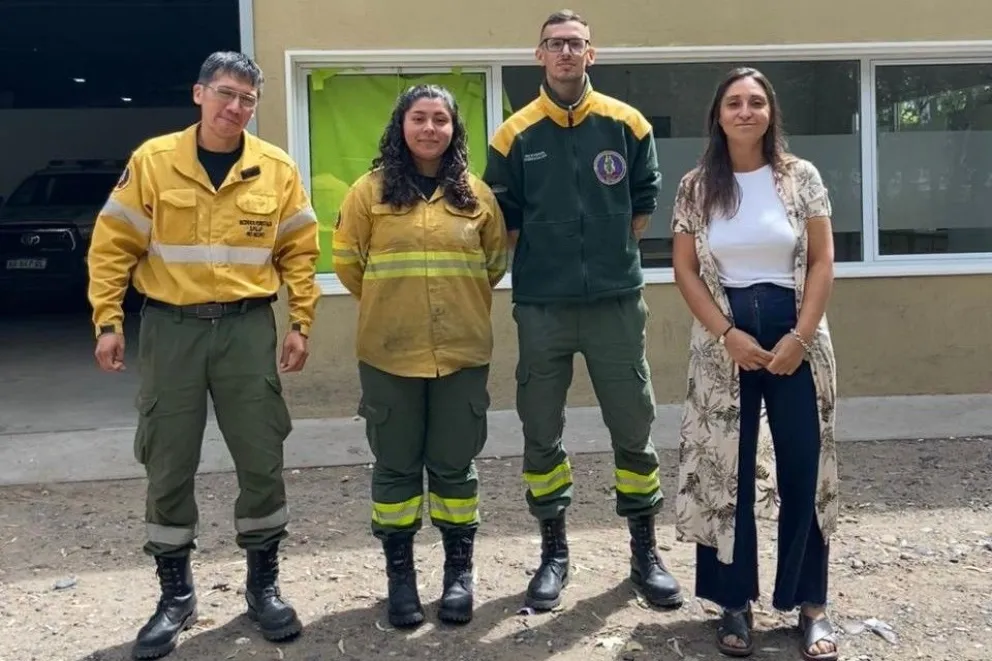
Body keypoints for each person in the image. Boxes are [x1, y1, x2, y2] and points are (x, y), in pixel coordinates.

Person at [87, 51, 320, 660]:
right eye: (225, 94)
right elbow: (112, 246)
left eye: (247, 99)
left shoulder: (275, 168)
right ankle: (175, 596)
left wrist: (300, 322)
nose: (235, 107)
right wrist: (108, 321)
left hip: (247, 331)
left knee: (262, 456)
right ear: (198, 94)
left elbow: (300, 250)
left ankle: (263, 588)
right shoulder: (154, 162)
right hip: (172, 331)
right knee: (167, 460)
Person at [483, 9, 683, 612]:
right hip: (542, 307)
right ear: (538, 55)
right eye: (554, 44)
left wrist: (601, 255)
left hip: (615, 304)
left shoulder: (627, 124)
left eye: (575, 43)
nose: (565, 53)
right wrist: (553, 265)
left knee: (634, 427)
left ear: (591, 54)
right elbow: (506, 222)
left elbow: (641, 208)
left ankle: (645, 553)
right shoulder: (513, 135)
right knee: (540, 430)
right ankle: (553, 553)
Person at [669, 66, 840, 660]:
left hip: (796, 334)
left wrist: (800, 334)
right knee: (725, 471)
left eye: (756, 102)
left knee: (804, 468)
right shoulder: (696, 187)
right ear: (718, 114)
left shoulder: (802, 179)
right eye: (734, 102)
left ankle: (810, 604)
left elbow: (822, 260)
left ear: (770, 114)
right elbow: (685, 270)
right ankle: (732, 603)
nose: (745, 111)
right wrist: (726, 335)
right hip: (727, 340)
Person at [333, 84, 508, 628]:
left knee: (456, 467)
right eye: (419, 118)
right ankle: (400, 578)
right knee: (395, 469)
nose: (429, 128)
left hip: (461, 352)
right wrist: (396, 306)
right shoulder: (368, 193)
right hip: (389, 354)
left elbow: (494, 263)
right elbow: (347, 265)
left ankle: (458, 574)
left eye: (440, 119)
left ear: (454, 129)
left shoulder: (477, 197)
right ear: (400, 125)